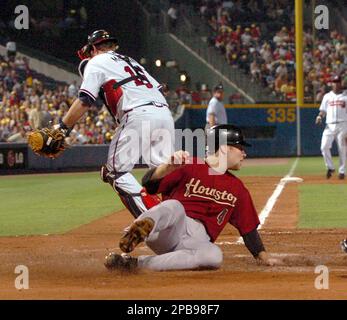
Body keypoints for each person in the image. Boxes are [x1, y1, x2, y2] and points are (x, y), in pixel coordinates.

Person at [104, 124, 283, 271]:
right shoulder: (189, 164)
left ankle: (134, 264)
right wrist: (167, 167)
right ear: (224, 148)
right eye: (240, 148)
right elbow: (149, 186)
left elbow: (248, 230)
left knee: (214, 256)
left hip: (197, 243)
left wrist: (264, 257)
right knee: (174, 206)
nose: (244, 154)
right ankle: (138, 230)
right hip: (168, 229)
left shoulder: (238, 189)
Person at [57, 30, 175, 217]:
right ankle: (184, 217)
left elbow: (85, 100)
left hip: (138, 114)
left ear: (94, 48)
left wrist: (62, 128)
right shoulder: (131, 61)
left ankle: (154, 220)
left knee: (115, 172)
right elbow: (162, 89)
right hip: (164, 114)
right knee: (165, 171)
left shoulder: (95, 61)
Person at [315, 75, 347, 179]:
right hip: (329, 125)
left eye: (338, 81)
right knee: (324, 146)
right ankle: (330, 167)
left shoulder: (345, 96)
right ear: (331, 83)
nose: (336, 83)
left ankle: (342, 171)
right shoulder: (327, 96)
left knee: (342, 149)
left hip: (343, 124)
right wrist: (319, 116)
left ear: (341, 83)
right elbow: (323, 110)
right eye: (334, 81)